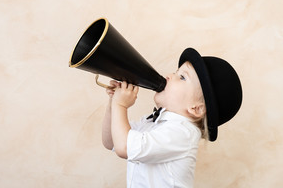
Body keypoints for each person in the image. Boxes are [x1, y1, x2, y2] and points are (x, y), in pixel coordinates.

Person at [102, 47, 243, 188]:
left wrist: (120, 105)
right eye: (176, 72)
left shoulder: (184, 133)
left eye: (182, 77)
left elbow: (124, 148)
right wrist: (112, 103)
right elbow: (111, 142)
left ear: (196, 108)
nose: (169, 75)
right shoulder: (153, 121)